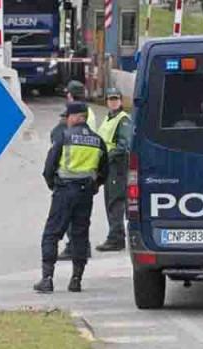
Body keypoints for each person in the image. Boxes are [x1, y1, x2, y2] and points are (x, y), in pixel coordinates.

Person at [35, 102, 109, 293]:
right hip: (85, 195)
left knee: (52, 234)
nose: (66, 120)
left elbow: (49, 168)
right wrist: (93, 187)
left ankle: (47, 279)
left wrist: (55, 185)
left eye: (68, 117)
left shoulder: (64, 138)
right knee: (80, 236)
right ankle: (76, 280)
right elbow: (104, 172)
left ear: (77, 117)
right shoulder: (98, 141)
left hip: (64, 192)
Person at [55, 80, 97, 260]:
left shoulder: (74, 115)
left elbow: (59, 138)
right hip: (88, 173)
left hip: (73, 172)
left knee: (71, 216)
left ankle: (76, 247)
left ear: (70, 95)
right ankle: (80, 246)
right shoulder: (90, 113)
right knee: (81, 218)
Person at [95, 88, 133, 252]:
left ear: (121, 101)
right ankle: (115, 235)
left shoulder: (123, 120)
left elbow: (123, 146)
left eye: (116, 99)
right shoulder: (108, 118)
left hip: (117, 166)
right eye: (110, 99)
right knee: (110, 200)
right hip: (108, 166)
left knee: (115, 202)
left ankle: (116, 238)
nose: (113, 101)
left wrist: (107, 157)